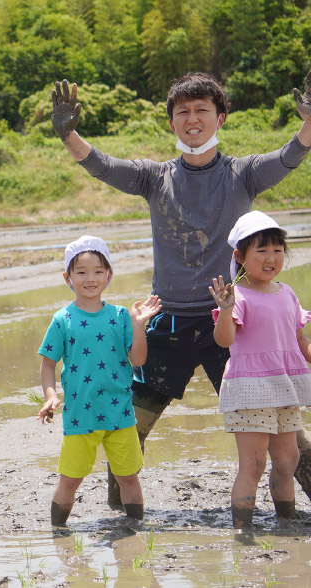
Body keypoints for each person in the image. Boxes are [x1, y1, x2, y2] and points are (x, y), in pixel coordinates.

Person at [51, 70, 311, 505]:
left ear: (220, 118)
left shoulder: (243, 174)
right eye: (183, 112)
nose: (192, 119)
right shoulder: (155, 177)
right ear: (171, 122)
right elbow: (103, 166)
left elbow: (290, 154)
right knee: (130, 423)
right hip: (167, 323)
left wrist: (309, 121)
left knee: (283, 428)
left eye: (202, 110)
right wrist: (68, 134)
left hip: (229, 324)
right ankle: (125, 514)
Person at [36, 236, 161, 525]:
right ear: (68, 278)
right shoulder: (62, 319)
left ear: (109, 275)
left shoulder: (120, 316)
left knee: (128, 476)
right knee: (70, 478)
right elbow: (48, 364)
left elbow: (138, 360)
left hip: (120, 414)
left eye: (97, 271)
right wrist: (50, 395)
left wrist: (139, 325)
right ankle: (58, 533)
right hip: (81, 414)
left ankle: (134, 530)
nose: (90, 279)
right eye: (81, 272)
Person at [209, 211, 311, 528]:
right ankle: (242, 532)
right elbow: (224, 339)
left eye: (277, 250)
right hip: (250, 390)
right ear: (240, 256)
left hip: (285, 387)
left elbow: (300, 342)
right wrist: (225, 312)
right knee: (253, 464)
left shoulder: (287, 293)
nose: (271, 258)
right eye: (261, 251)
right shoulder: (237, 296)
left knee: (288, 459)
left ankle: (286, 522)